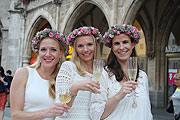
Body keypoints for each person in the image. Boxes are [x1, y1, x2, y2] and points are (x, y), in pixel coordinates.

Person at [90, 24, 153, 120]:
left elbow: (147, 111)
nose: (121, 47)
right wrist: (119, 95)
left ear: (132, 45)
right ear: (112, 47)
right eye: (116, 44)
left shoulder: (142, 76)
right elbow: (96, 115)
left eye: (125, 42)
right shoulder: (104, 75)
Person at [10, 28, 70, 120]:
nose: (48, 54)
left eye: (53, 50)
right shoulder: (24, 73)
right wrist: (46, 113)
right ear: (38, 52)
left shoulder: (65, 77)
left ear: (61, 53)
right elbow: (15, 115)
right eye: (43, 50)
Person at [55, 26, 102, 120]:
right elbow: (60, 109)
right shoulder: (68, 67)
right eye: (80, 46)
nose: (85, 49)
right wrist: (74, 89)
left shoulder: (102, 72)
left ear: (96, 46)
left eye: (89, 44)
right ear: (75, 49)